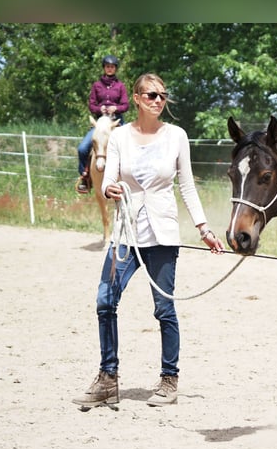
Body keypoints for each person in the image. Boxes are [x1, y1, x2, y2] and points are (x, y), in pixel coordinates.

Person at [73, 72, 225, 409]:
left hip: (163, 234)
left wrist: (204, 228)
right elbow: (108, 180)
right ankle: (107, 379)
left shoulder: (177, 137)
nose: (159, 101)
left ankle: (169, 380)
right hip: (126, 233)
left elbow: (187, 185)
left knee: (164, 309)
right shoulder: (120, 137)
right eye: (152, 95)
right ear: (139, 99)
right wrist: (107, 188)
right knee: (105, 301)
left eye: (163, 95)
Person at [76, 55, 129, 193]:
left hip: (116, 122)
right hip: (100, 123)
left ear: (115, 69)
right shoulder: (96, 85)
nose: (110, 69)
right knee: (82, 148)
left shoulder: (120, 86)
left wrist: (116, 108)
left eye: (112, 67)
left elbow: (125, 105)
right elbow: (91, 104)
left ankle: (132, 176)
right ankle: (85, 177)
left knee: (129, 147)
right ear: (104, 68)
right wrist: (99, 109)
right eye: (107, 66)